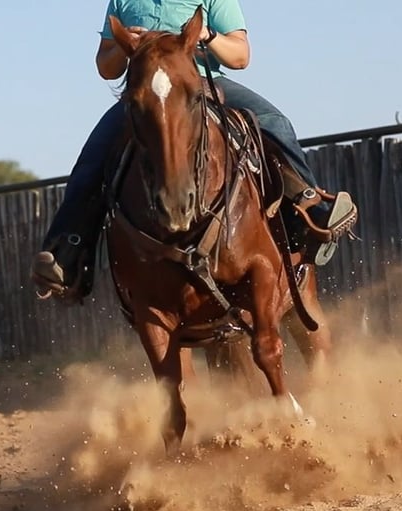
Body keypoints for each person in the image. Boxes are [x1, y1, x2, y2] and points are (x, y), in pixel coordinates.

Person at [31, 0, 358, 303]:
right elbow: (106, 67)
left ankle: (309, 205)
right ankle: (68, 249)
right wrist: (122, 44)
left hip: (201, 86)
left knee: (275, 122)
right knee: (93, 157)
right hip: (149, 97)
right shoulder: (124, 0)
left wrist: (208, 35)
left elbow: (240, 56)